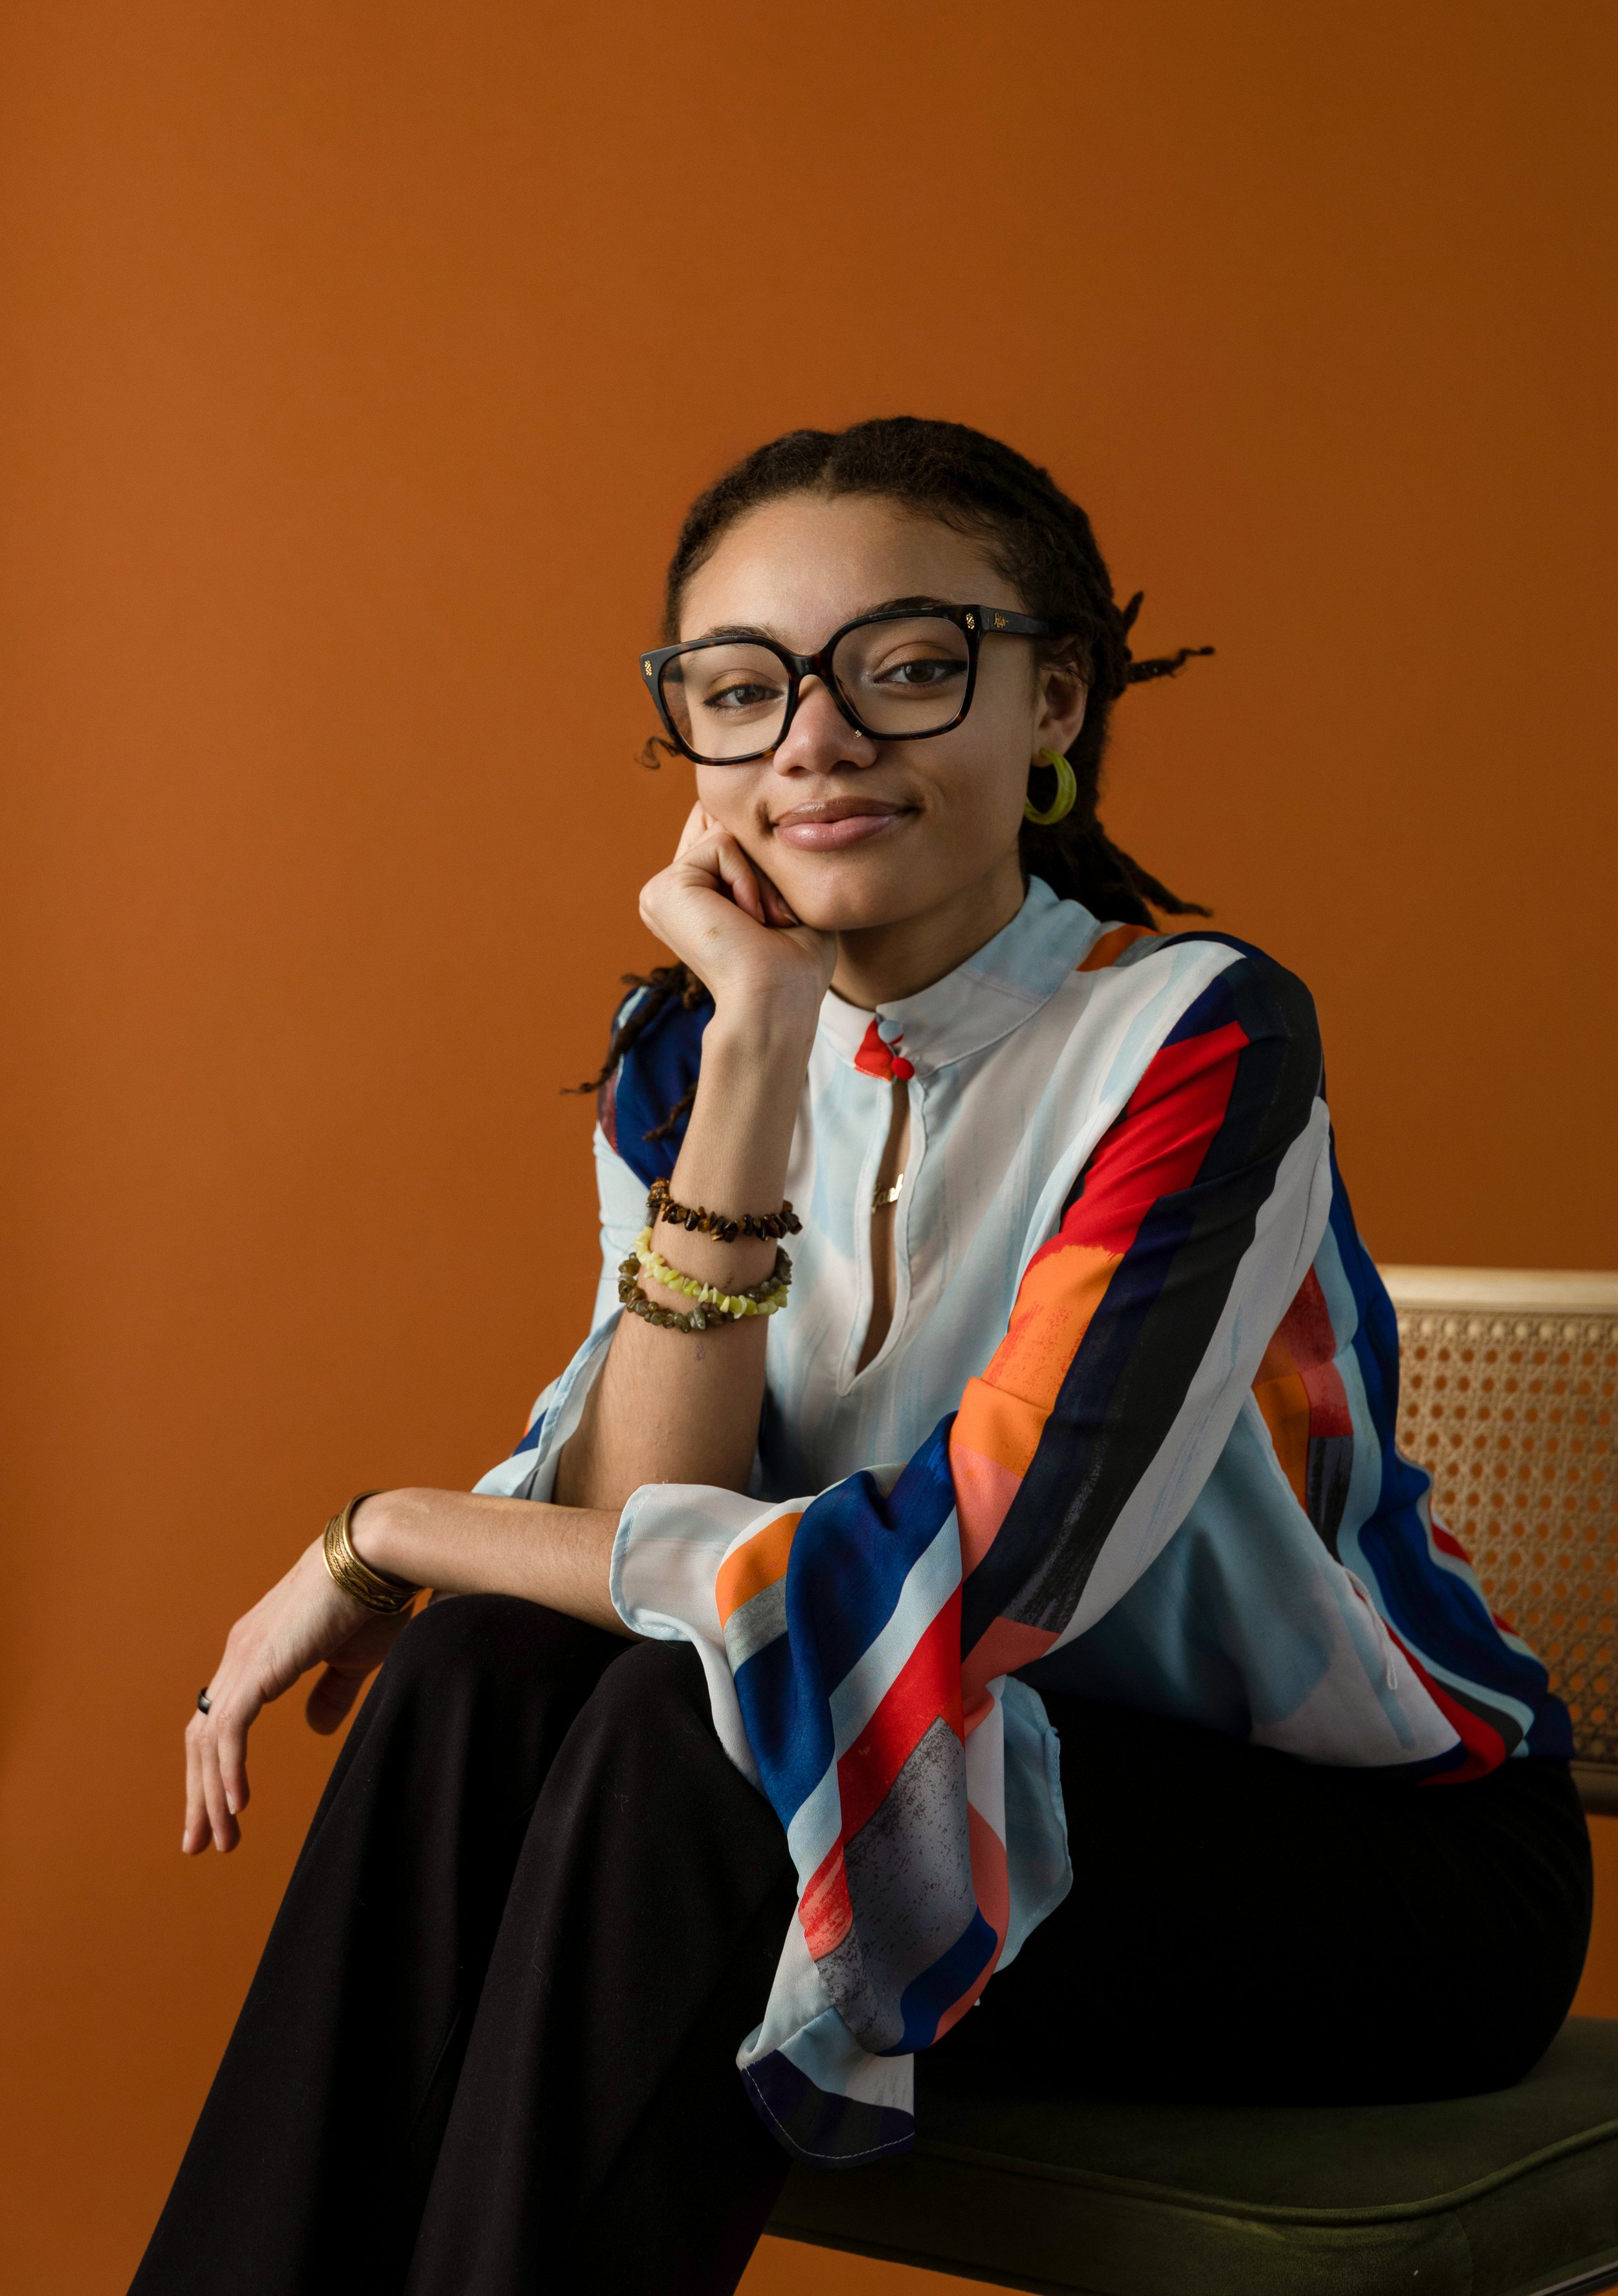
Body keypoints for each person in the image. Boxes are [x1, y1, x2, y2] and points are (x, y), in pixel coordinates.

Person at [134, 418, 1590, 2296]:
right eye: (738, 693)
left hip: (1345, 1876)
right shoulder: (684, 1059)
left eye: (903, 668)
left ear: (1052, 696)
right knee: (501, 1673)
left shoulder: (1193, 1039)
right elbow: (644, 1566)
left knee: (708, 1723)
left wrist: (391, 1528)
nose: (812, 738)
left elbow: (973, 1588)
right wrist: (751, 1053)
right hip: (920, 1800)